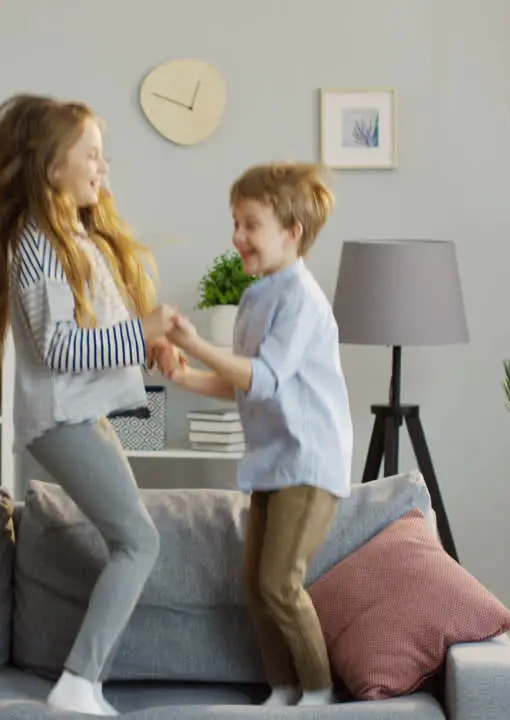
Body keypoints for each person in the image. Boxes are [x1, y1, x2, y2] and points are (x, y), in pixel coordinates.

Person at [0, 93, 180, 716]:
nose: (103, 168)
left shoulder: (70, 234)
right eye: (92, 155)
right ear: (52, 166)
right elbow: (60, 349)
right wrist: (147, 330)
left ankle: (83, 678)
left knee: (133, 538)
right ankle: (79, 682)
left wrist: (147, 344)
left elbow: (94, 329)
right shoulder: (37, 242)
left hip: (80, 413)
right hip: (61, 417)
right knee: (138, 541)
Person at [160, 162, 352, 707]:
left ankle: (318, 695)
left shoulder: (302, 300)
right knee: (256, 586)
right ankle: (284, 689)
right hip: (273, 461)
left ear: (291, 233)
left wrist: (194, 344)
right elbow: (245, 386)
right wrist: (183, 375)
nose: (237, 236)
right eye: (235, 222)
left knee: (279, 585)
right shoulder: (257, 297)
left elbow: (263, 378)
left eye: (250, 224)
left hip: (310, 463)